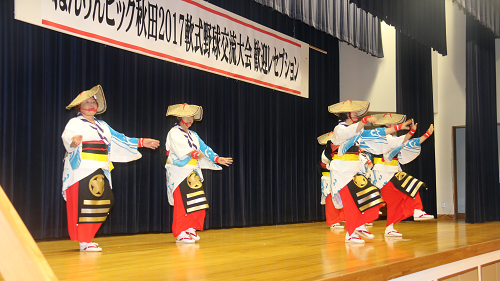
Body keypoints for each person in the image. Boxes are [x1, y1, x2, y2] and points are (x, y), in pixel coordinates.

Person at [61, 85, 160, 252]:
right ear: (79, 106)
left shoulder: (103, 125)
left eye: (94, 101)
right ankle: (84, 241)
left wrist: (143, 142)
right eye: (87, 101)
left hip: (101, 168)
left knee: (103, 202)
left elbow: (121, 139)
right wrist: (74, 140)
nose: (91, 104)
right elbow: (68, 136)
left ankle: (87, 238)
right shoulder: (75, 123)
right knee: (86, 204)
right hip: (82, 170)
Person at [328, 100, 411, 244]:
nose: (356, 115)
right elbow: (349, 132)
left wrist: (400, 128)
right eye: (354, 113)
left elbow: (377, 133)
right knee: (351, 202)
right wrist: (364, 121)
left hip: (353, 170)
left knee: (370, 195)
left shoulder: (357, 130)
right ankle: (351, 233)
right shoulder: (339, 129)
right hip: (341, 170)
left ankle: (359, 225)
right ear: (346, 114)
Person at [165, 103, 233, 243]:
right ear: (179, 117)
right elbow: (181, 149)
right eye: (187, 117)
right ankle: (180, 232)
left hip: (193, 172)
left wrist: (217, 158)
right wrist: (194, 153)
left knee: (197, 201)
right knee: (183, 202)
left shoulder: (194, 135)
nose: (190, 120)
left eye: (192, 117)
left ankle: (191, 228)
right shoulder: (174, 132)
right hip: (179, 172)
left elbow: (204, 148)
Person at [368, 113, 434, 237]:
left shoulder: (393, 139)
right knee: (411, 185)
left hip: (392, 171)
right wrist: (412, 133)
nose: (396, 126)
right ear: (388, 125)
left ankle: (389, 228)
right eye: (393, 124)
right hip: (383, 172)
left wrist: (425, 135)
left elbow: (407, 144)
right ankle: (417, 210)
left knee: (396, 201)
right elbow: (402, 141)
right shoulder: (383, 137)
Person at [317, 132, 345, 229]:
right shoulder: (326, 152)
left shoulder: (338, 151)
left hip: (337, 177)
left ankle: (340, 218)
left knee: (339, 198)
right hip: (328, 178)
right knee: (330, 199)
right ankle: (333, 221)